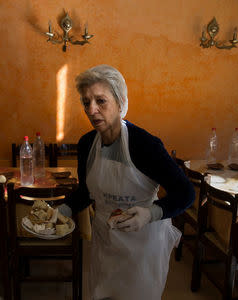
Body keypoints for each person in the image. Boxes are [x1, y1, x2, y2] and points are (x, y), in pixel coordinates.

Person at [59, 64, 195, 300]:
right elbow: (86, 192)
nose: (92, 110)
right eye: (86, 102)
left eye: (100, 101)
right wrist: (63, 209)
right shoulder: (86, 145)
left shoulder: (145, 145)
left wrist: (150, 213)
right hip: (105, 239)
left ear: (121, 102)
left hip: (142, 244)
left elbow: (186, 193)